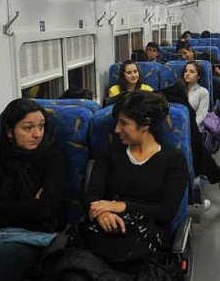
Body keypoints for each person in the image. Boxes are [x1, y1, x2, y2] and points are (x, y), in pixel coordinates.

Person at [76, 92, 189, 278]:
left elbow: (166, 212)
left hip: (145, 243)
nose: (117, 130)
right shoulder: (111, 154)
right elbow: (91, 196)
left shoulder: (173, 160)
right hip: (104, 234)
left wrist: (122, 206)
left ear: (145, 124)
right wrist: (102, 213)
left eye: (123, 123)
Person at [0, 99, 67, 279]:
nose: (37, 134)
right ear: (9, 132)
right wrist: (29, 206)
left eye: (41, 126)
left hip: (34, 238)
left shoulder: (53, 158)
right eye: (28, 128)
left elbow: (47, 211)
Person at [178, 60, 220, 197]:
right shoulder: (177, 89)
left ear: (198, 76)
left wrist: (189, 127)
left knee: (196, 144)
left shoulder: (202, 92)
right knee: (197, 149)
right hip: (176, 127)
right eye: (186, 71)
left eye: (191, 71)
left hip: (194, 127)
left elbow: (202, 114)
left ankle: (217, 179)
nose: (187, 74)